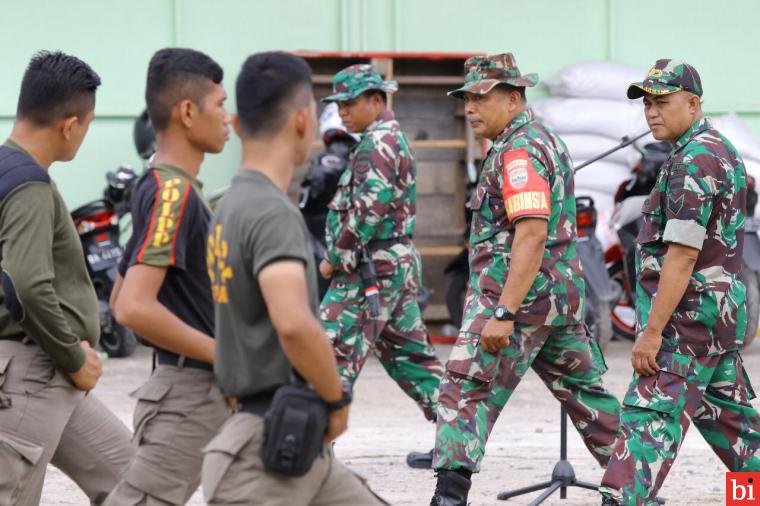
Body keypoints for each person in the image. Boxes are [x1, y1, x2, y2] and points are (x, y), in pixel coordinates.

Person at [430, 53, 622, 505]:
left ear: (514, 98)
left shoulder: (519, 151)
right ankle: (634, 491)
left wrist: (503, 312)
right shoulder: (540, 139)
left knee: (464, 391)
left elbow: (532, 233)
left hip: (516, 302)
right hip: (556, 302)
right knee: (590, 400)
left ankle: (449, 497)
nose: (470, 108)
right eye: (466, 99)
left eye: (481, 97)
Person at [201, 51, 386, 506]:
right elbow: (293, 323)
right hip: (263, 452)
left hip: (291, 437)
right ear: (304, 121)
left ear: (239, 123)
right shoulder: (270, 211)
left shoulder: (230, 206)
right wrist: (336, 398)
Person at [599, 59, 760, 506]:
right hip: (715, 321)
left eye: (662, 102)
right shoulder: (719, 150)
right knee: (740, 437)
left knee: (645, 427)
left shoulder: (694, 161)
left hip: (682, 327)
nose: (652, 112)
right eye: (648, 103)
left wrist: (651, 334)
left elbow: (684, 254)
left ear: (692, 104)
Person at [0, 50, 133, 505]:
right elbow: (27, 283)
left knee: (132, 482)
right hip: (31, 374)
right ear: (70, 124)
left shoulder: (6, 171)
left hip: (44, 374)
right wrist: (73, 358)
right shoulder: (29, 186)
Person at [104, 47, 231, 505]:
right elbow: (133, 307)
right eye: (220, 104)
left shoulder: (160, 185)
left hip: (201, 391)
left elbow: (121, 294)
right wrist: (227, 356)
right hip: (189, 398)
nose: (228, 118)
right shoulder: (173, 192)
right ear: (188, 112)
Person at [319, 63, 445, 468]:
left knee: (330, 350)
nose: (342, 112)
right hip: (393, 263)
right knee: (411, 357)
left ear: (376, 100)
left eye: (350, 103)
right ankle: (458, 441)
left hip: (369, 268)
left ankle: (314, 448)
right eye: (338, 105)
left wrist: (334, 257)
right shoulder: (387, 138)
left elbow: (369, 210)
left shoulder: (377, 143)